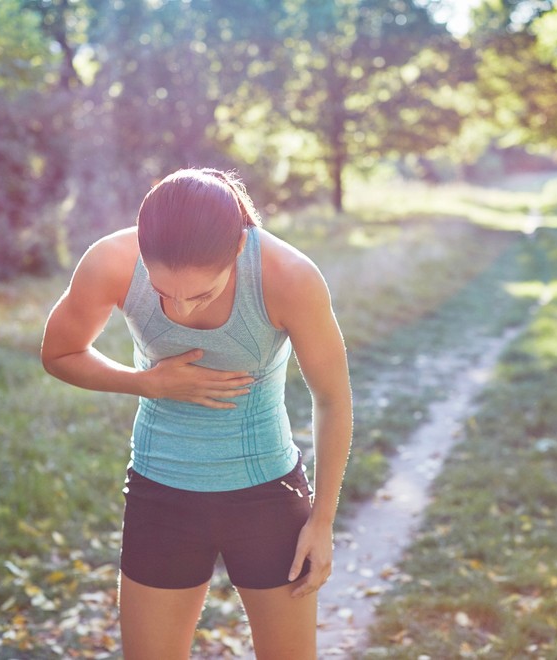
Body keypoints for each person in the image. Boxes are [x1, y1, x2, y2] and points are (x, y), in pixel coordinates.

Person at [40, 167, 353, 659]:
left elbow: (333, 398)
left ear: (238, 249)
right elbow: (59, 353)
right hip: (161, 492)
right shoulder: (111, 261)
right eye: (165, 294)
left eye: (201, 294)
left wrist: (323, 519)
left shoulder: (289, 277)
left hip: (267, 496)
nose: (181, 311)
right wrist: (146, 382)